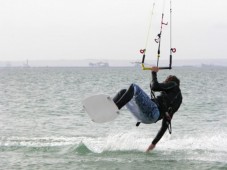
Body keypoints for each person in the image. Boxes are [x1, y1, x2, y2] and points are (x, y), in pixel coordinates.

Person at [113, 66, 182, 152]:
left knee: (134, 87)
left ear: (169, 83)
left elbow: (155, 86)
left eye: (165, 83)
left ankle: (114, 108)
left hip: (152, 111)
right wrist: (153, 144)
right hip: (147, 119)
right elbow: (165, 124)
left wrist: (154, 72)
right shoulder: (176, 102)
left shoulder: (174, 85)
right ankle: (111, 106)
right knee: (123, 92)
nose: (164, 85)